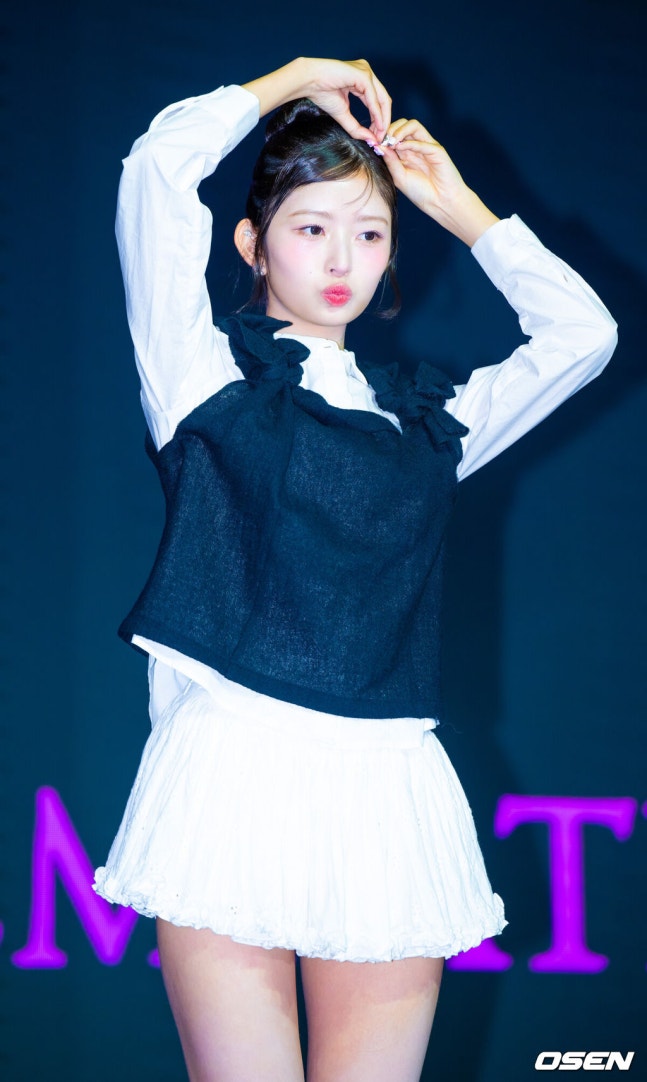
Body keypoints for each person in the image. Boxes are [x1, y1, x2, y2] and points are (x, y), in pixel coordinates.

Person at [94, 57, 617, 1082]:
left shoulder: (427, 425)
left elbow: (582, 336)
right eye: (310, 226)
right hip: (232, 777)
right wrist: (293, 79)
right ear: (251, 243)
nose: (342, 257)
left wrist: (460, 210)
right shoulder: (199, 377)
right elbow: (156, 167)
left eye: (370, 233)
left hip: (385, 788)